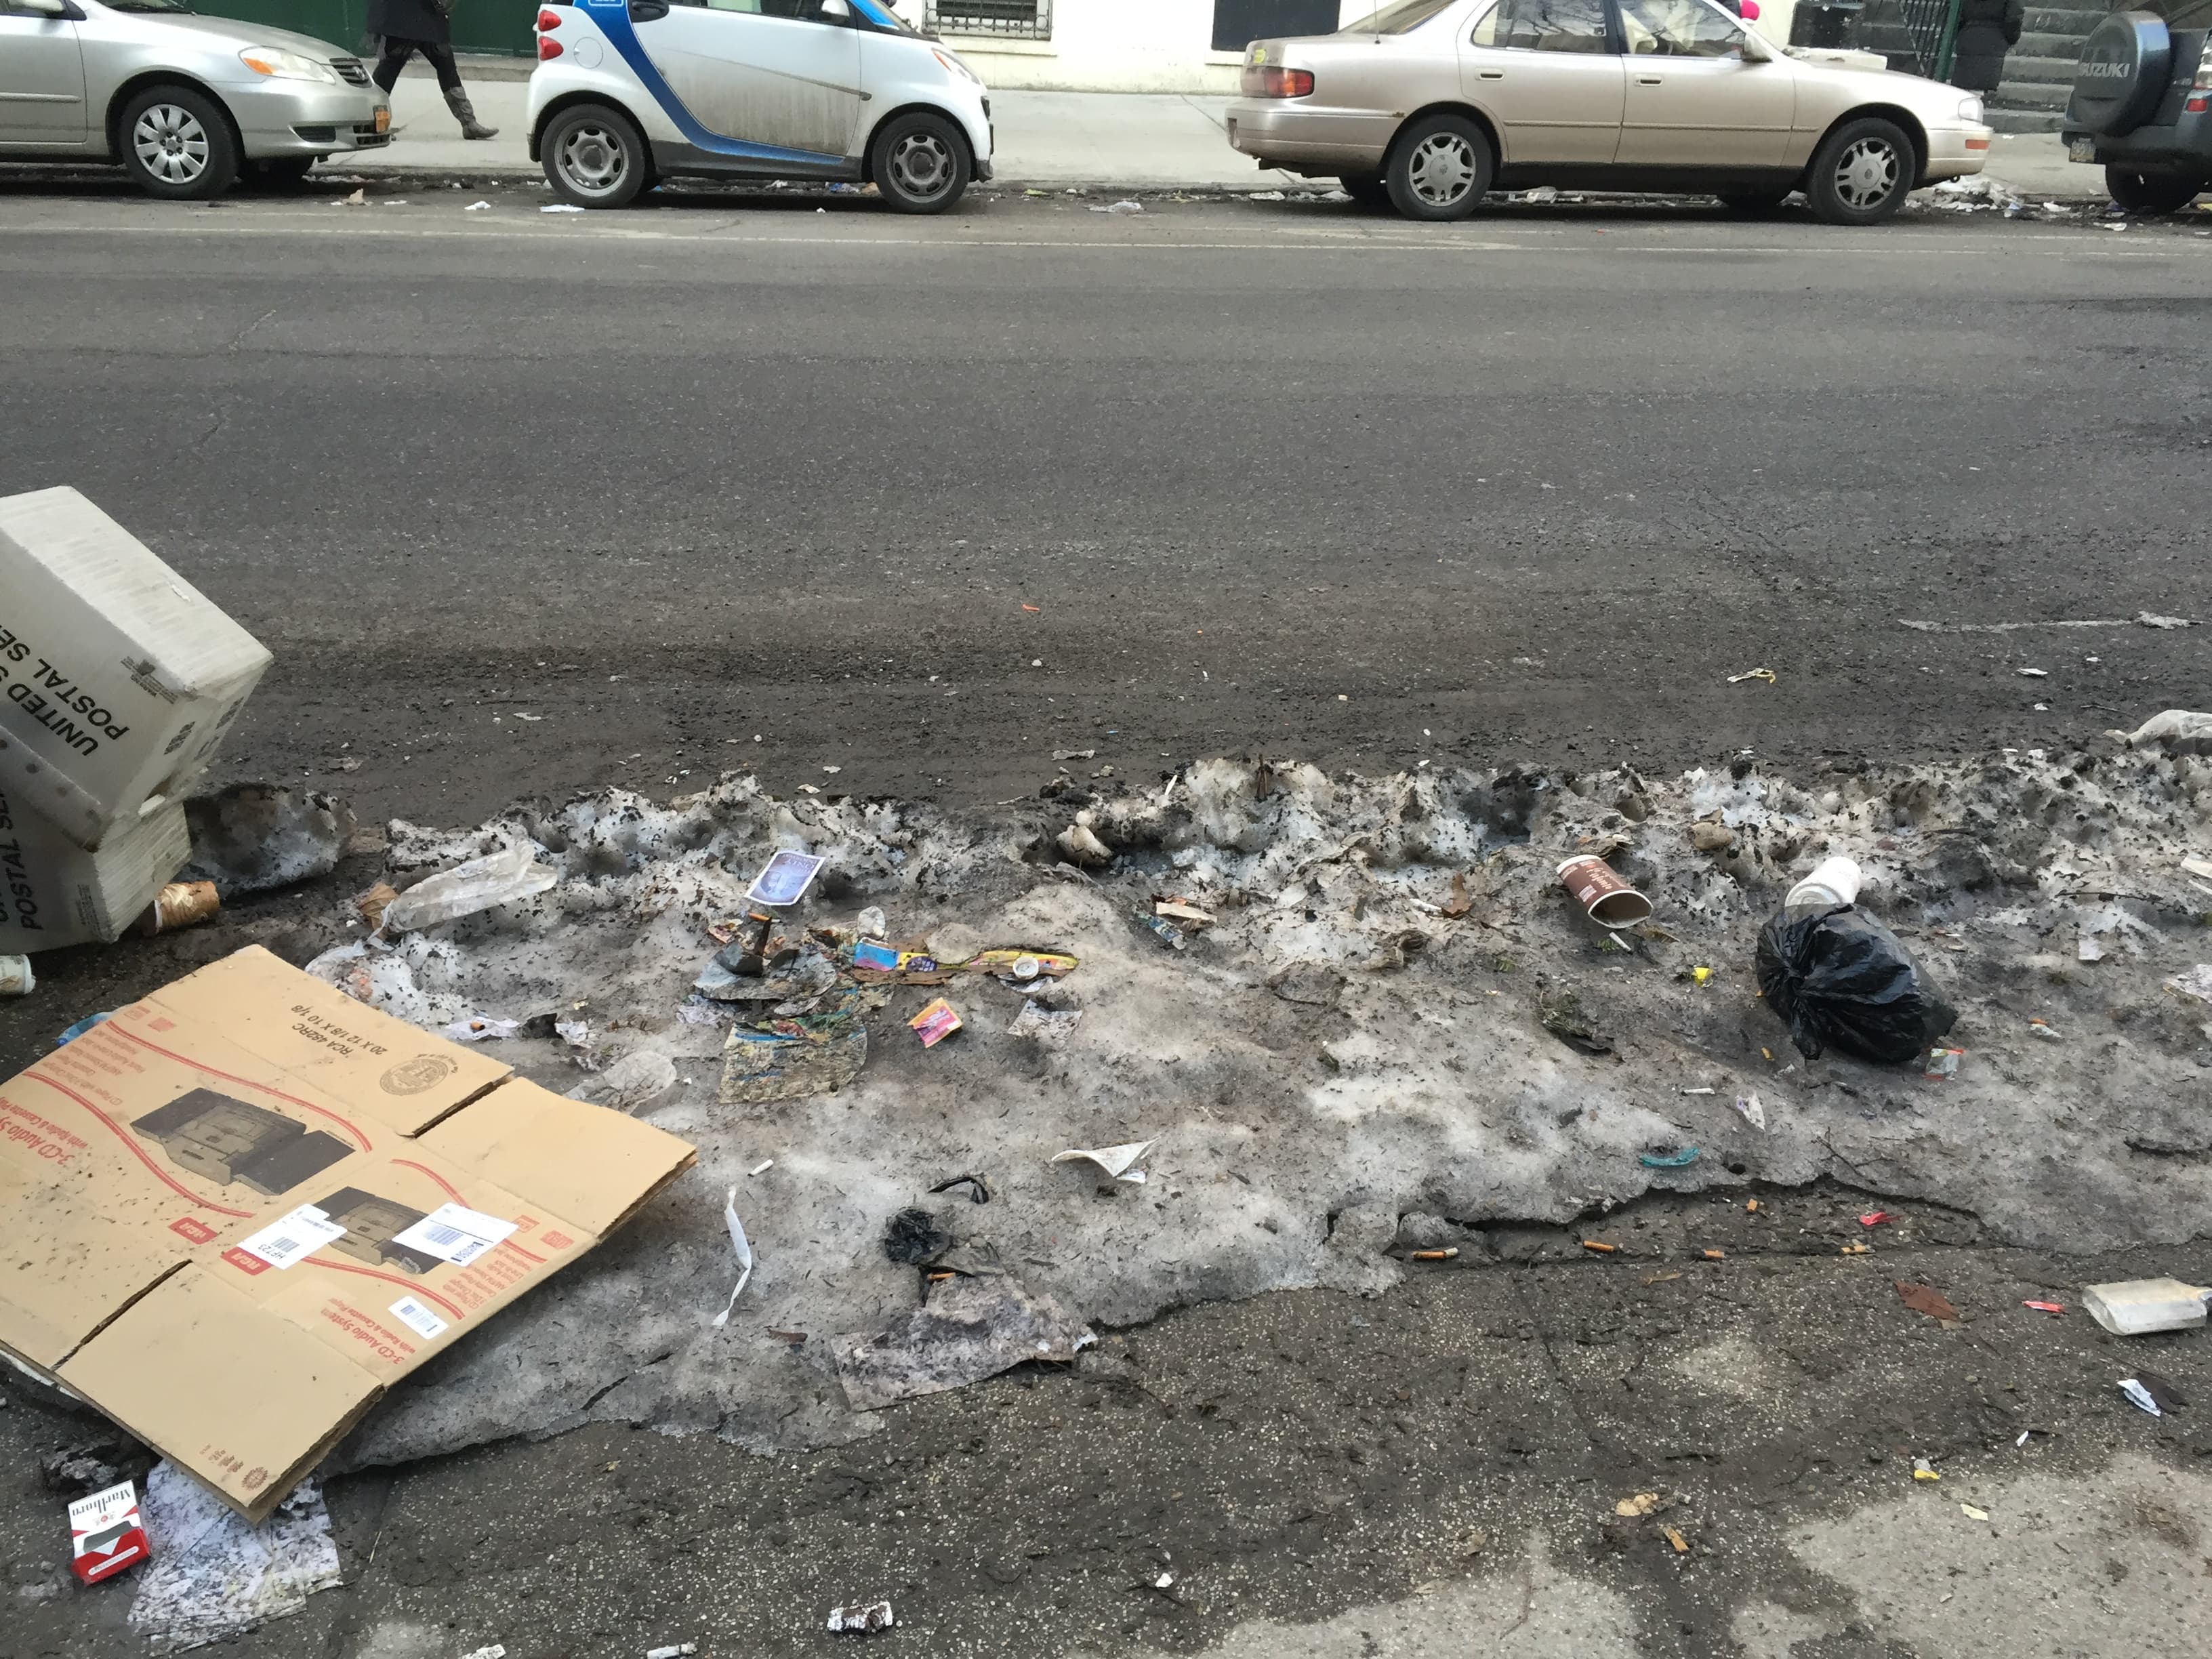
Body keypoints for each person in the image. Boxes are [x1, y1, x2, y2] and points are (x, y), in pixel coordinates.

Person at [367, 0, 498, 140]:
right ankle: (374, 125)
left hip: (428, 15)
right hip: (401, 15)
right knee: (389, 68)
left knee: (446, 64)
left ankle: (469, 123)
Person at [1949, 0, 2024, 94]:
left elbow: (1955, 13)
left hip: (1968, 35)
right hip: (1994, 39)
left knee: (1964, 86)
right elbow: (2014, 18)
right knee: (1980, 86)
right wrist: (2012, 38)